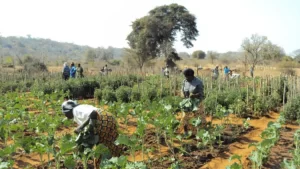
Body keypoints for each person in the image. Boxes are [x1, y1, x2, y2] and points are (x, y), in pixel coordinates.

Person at [61, 100, 124, 167]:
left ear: (68, 111)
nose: (65, 116)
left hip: (102, 120)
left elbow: (93, 114)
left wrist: (82, 127)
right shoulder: (81, 107)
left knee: (101, 148)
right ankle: (120, 161)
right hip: (109, 118)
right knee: (112, 142)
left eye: (65, 113)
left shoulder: (76, 110)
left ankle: (102, 166)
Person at [179, 68, 206, 136]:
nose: (186, 78)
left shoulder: (198, 82)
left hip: (197, 102)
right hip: (187, 102)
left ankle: (199, 133)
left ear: (192, 76)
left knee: (199, 118)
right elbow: (182, 90)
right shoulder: (184, 81)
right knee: (184, 117)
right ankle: (186, 132)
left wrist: (194, 95)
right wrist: (183, 94)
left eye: (187, 77)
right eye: (185, 77)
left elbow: (201, 94)